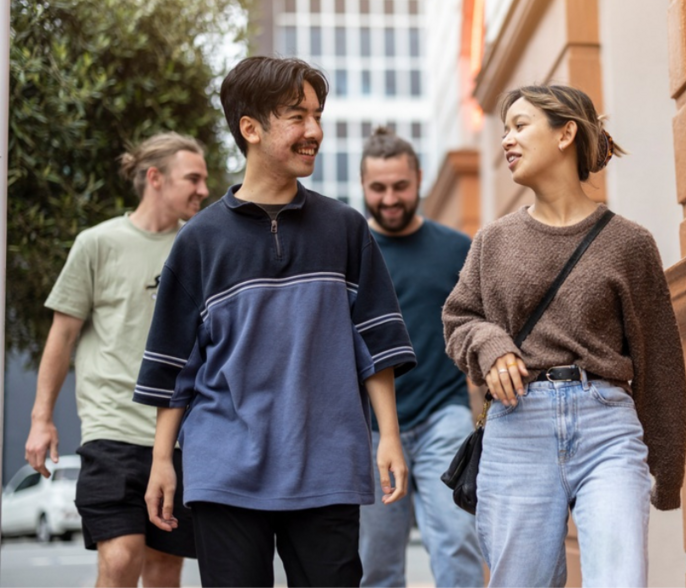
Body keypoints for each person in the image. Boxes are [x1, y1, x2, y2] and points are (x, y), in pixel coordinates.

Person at [134, 56, 416, 588]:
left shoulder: (346, 230)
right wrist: (162, 460)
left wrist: (388, 436)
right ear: (251, 128)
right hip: (223, 469)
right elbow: (177, 364)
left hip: (327, 464)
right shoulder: (199, 240)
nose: (314, 131)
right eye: (297, 116)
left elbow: (375, 342)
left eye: (317, 115)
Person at [442, 84, 686, 587]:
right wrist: (491, 347)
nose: (506, 140)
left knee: (620, 580)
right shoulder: (494, 241)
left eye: (519, 125)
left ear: (566, 133)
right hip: (517, 428)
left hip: (608, 428)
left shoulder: (629, 243)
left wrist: (668, 468)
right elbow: (458, 320)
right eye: (504, 129)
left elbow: (659, 359)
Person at [25, 132, 209, 587]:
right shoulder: (96, 244)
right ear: (155, 179)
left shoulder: (200, 249)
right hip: (113, 431)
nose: (204, 190)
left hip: (182, 437)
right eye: (193, 178)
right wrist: (41, 418)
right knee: (123, 559)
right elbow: (62, 336)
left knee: (165, 570)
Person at [358, 128, 485, 588]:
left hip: (442, 414)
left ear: (418, 179)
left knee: (456, 538)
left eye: (400, 186)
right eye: (378, 188)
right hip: (368, 425)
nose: (390, 198)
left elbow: (481, 328)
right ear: (362, 186)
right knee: (376, 561)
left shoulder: (457, 249)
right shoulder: (351, 252)